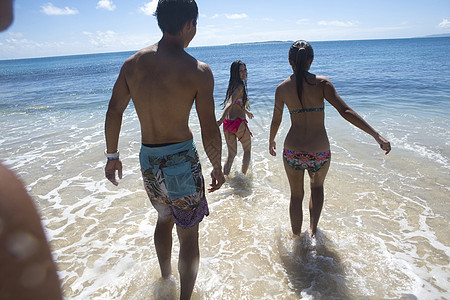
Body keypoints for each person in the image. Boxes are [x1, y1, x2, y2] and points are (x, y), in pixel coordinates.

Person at [104, 0, 225, 299]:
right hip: (182, 158)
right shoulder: (198, 70)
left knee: (163, 218)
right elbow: (209, 127)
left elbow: (114, 110)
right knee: (189, 234)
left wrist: (112, 156)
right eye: (195, 25)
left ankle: (165, 279)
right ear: (187, 25)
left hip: (149, 159)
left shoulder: (132, 64)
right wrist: (217, 165)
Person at [269, 40, 391, 237]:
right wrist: (376, 135)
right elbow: (345, 111)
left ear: (289, 61)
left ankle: (297, 240)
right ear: (311, 60)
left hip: (293, 151)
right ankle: (313, 232)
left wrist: (271, 140)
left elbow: (276, 120)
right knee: (316, 189)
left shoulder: (282, 88)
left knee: (295, 196)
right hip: (319, 152)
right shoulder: (322, 83)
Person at [217, 60, 254, 175]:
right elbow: (230, 103)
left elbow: (237, 103)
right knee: (247, 151)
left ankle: (225, 177)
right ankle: (243, 177)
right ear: (235, 73)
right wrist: (220, 119)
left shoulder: (232, 86)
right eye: (240, 71)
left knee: (231, 154)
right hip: (238, 124)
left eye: (245, 70)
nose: (244, 73)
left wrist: (246, 111)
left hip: (228, 124)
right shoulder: (239, 87)